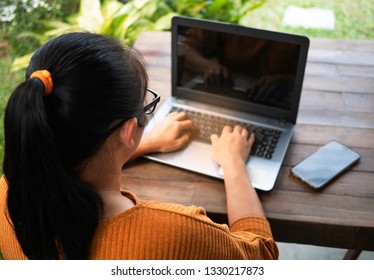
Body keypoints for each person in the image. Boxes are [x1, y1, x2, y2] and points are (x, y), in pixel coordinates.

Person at [0, 32, 278, 260]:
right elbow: (262, 256)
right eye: (146, 105)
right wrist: (234, 165)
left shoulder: (7, 193)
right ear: (128, 130)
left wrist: (145, 144)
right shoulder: (175, 235)